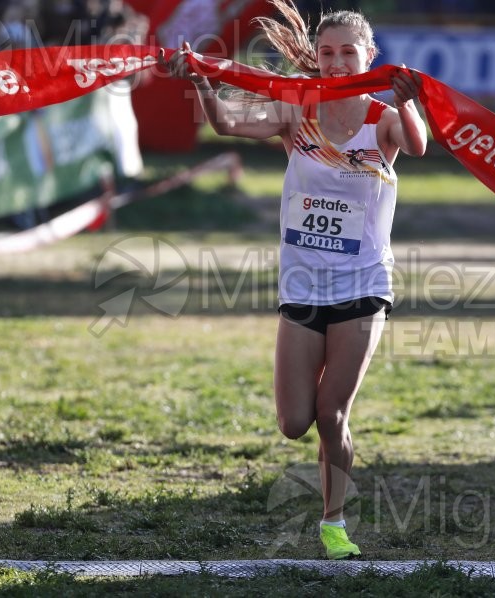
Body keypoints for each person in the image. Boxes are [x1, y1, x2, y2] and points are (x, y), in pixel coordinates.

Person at [161, 0, 426, 560]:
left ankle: (334, 524)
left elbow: (419, 144)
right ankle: (330, 503)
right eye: (326, 53)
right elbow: (229, 122)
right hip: (302, 286)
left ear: (369, 57)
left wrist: (407, 101)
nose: (335, 63)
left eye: (348, 53)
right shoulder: (296, 112)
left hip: (362, 286)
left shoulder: (384, 119)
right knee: (293, 423)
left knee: (332, 415)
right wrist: (205, 84)